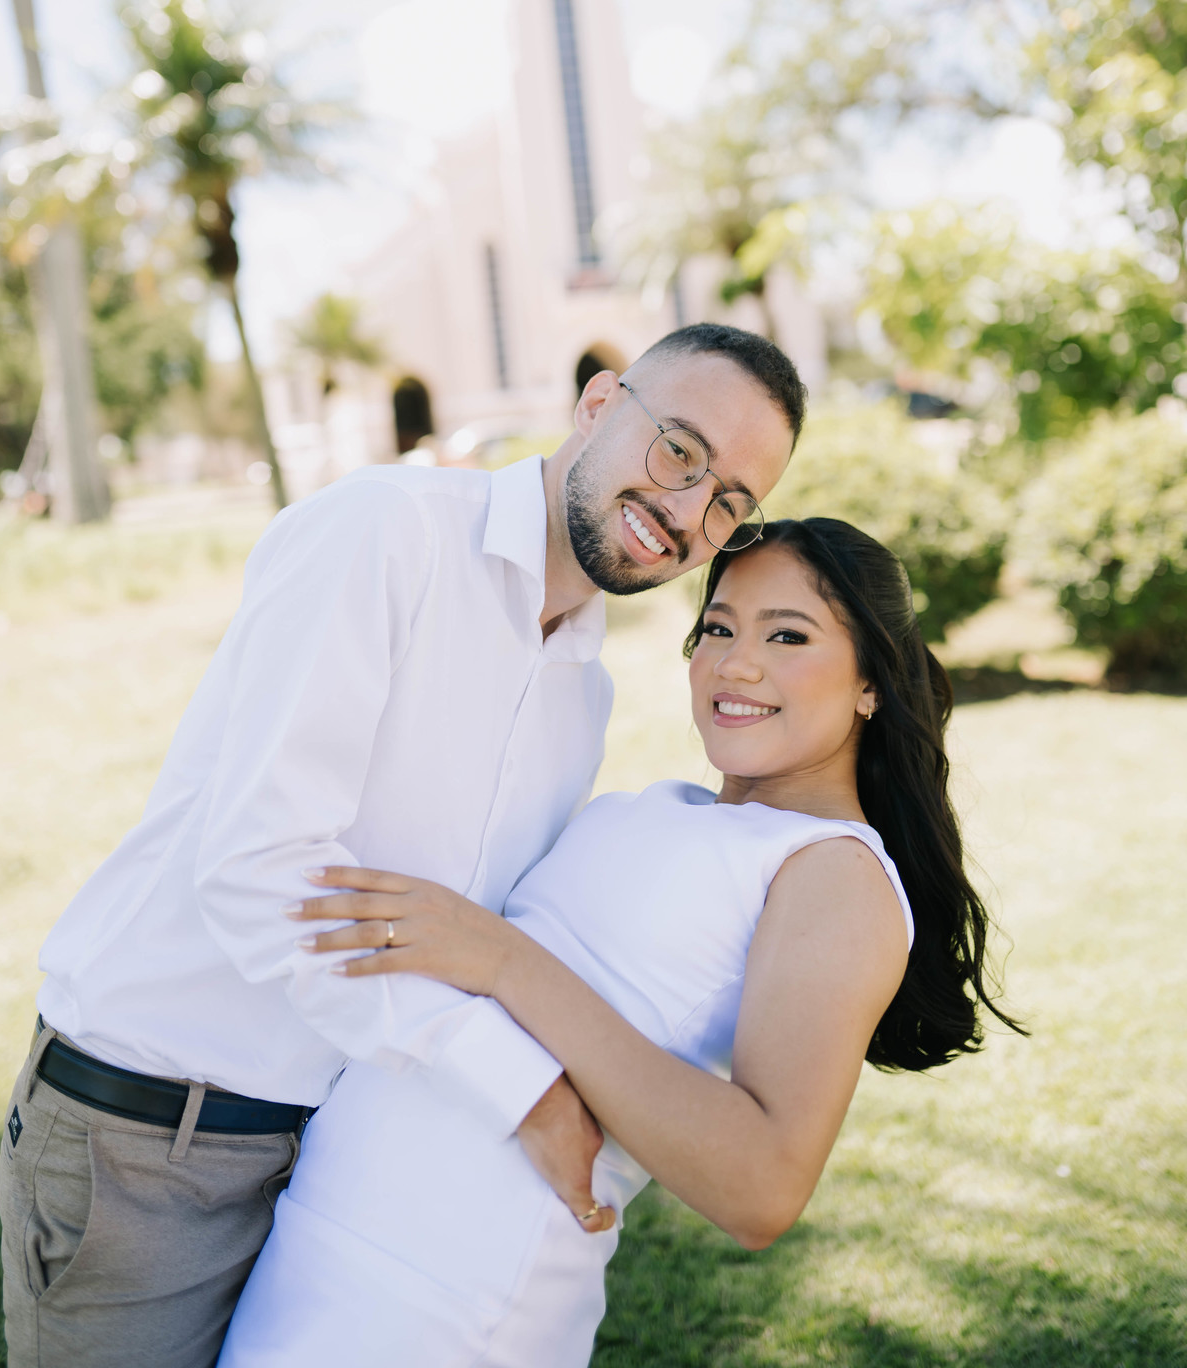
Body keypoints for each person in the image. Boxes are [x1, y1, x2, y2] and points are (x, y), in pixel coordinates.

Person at [0, 323, 802, 1368]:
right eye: (680, 450)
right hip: (152, 1143)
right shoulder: (385, 535)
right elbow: (258, 873)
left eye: (730, 501)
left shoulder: (583, 694)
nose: (688, 512)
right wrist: (516, 1085)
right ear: (599, 405)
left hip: (334, 1164)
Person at [220, 516, 1024, 1368]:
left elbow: (763, 1187)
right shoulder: (660, 808)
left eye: (787, 635)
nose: (735, 663)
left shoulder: (834, 872)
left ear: (872, 682)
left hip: (452, 1292)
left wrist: (503, 960)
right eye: (718, 628)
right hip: (330, 1230)